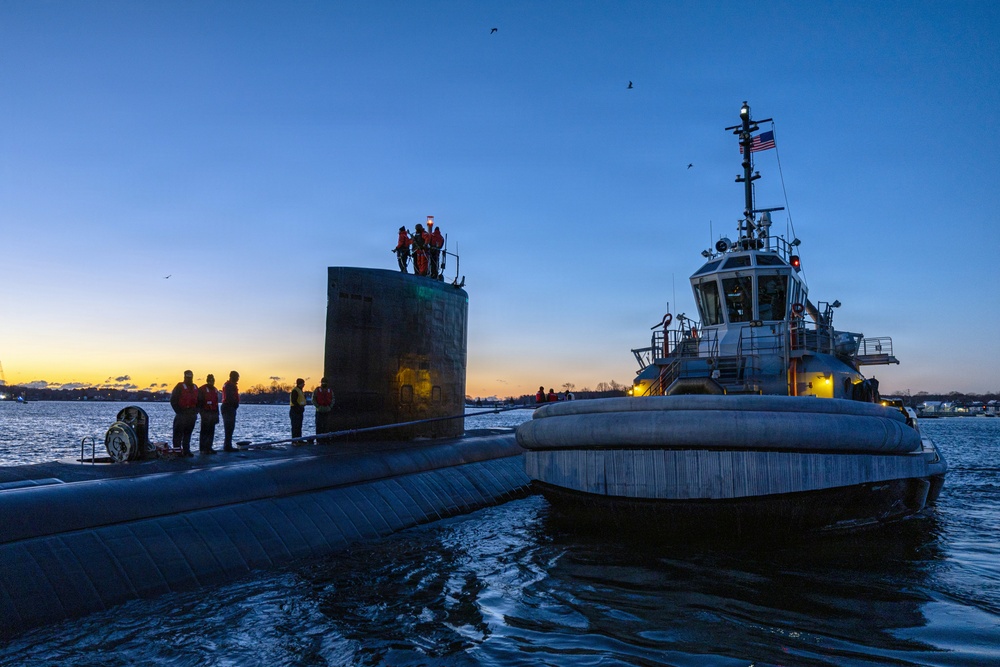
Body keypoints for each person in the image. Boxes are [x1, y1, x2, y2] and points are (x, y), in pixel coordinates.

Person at [170, 370, 199, 456]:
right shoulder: (179, 386)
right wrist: (179, 411)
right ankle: (177, 451)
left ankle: (186, 450)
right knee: (178, 433)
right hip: (182, 413)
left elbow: (199, 400)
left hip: (191, 414)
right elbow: (173, 400)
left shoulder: (195, 387)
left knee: (188, 433)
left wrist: (196, 411)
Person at [197, 374, 220, 454]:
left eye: (212, 380)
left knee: (211, 431)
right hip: (205, 413)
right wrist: (202, 413)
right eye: (210, 380)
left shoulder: (215, 390)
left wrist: (217, 415)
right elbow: (199, 403)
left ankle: (209, 447)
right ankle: (203, 448)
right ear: (207, 380)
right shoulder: (202, 389)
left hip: (213, 413)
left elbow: (216, 403)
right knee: (204, 431)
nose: (211, 382)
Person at [221, 370, 240, 452]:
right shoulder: (229, 386)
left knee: (230, 427)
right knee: (229, 427)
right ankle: (227, 446)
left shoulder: (229, 385)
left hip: (229, 407)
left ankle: (228, 444)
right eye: (237, 377)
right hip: (228, 407)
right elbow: (230, 398)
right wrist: (235, 404)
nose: (238, 379)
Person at [313, 377, 335, 441]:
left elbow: (333, 399)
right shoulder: (317, 390)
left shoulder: (330, 391)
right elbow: (314, 399)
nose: (324, 384)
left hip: (327, 410)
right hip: (319, 410)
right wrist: (318, 406)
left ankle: (326, 439)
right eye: (323, 382)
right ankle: (319, 439)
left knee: (326, 426)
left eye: (325, 382)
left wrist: (330, 407)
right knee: (319, 426)